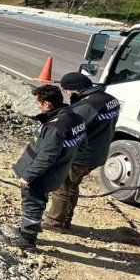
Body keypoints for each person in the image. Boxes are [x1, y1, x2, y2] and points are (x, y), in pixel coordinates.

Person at [11, 85, 86, 249]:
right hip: (56, 171)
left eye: (38, 102)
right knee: (34, 202)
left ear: (47, 104)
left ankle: (27, 239)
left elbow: (47, 156)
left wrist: (28, 175)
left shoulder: (55, 127)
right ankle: (25, 231)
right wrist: (65, 159)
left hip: (42, 174)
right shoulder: (76, 119)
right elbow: (82, 144)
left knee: (33, 204)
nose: (36, 105)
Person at [45, 72, 120, 230]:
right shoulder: (109, 99)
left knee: (60, 186)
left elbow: (70, 126)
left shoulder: (87, 105)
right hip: (98, 152)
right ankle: (66, 219)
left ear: (74, 89)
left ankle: (55, 222)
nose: (66, 93)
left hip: (81, 155)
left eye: (66, 90)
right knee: (72, 186)